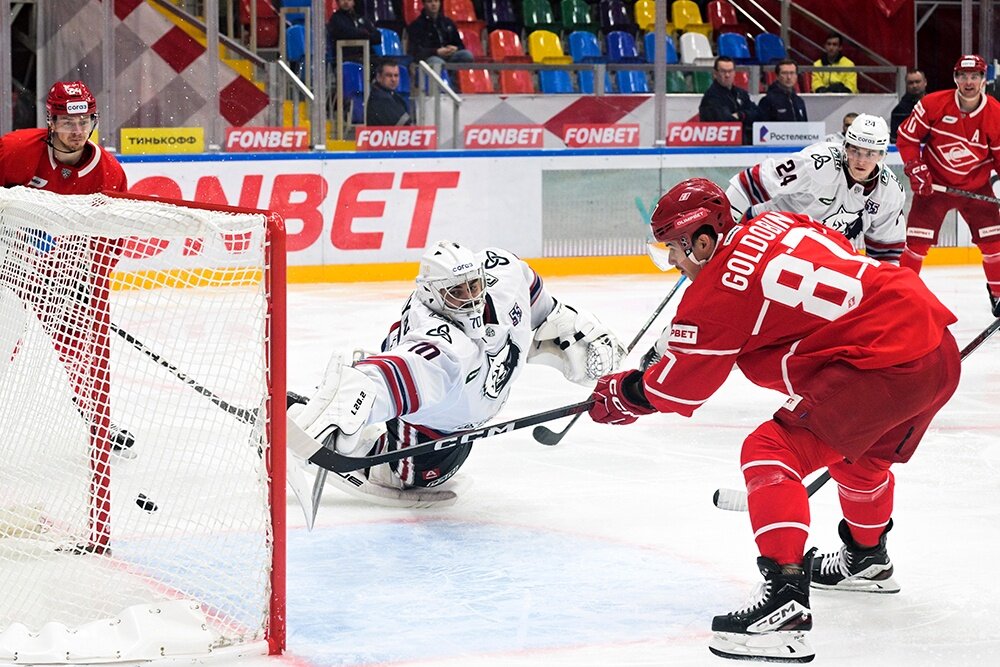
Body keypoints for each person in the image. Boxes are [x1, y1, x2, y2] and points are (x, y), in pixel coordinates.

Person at [588, 178, 960, 662]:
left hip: (882, 364)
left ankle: (784, 606)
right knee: (860, 459)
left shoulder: (717, 293)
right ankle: (867, 559)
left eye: (673, 251)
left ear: (702, 241)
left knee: (771, 450)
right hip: (932, 341)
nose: (673, 264)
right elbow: (825, 260)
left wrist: (624, 394)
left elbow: (677, 390)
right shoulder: (774, 221)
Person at [289, 240, 626, 505]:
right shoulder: (443, 348)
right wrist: (354, 395)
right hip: (434, 425)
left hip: (469, 383)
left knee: (490, 352)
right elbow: (398, 372)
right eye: (457, 293)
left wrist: (568, 326)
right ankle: (336, 430)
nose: (472, 300)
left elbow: (534, 295)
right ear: (433, 295)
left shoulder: (504, 272)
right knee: (415, 477)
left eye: (475, 286)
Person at [0, 80, 134, 453]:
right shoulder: (15, 150)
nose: (77, 132)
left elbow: (113, 236)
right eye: (67, 123)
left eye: (84, 122)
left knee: (79, 349)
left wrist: (93, 281)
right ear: (52, 123)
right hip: (6, 269)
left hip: (63, 277)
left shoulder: (107, 173)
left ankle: (98, 419)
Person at [897, 54, 1000, 317]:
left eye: (975, 76)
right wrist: (915, 167)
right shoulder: (933, 103)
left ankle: (998, 295)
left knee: (994, 244)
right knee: (916, 245)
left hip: (976, 189)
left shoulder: (995, 114)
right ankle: (899, 298)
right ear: (955, 78)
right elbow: (907, 137)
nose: (968, 82)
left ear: (983, 80)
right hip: (933, 188)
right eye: (963, 76)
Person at [727, 113, 906, 264]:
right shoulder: (817, 162)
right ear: (845, 146)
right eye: (855, 150)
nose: (861, 160)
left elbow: (886, 253)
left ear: (882, 155)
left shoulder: (890, 193)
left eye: (870, 153)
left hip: (820, 257)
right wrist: (725, 233)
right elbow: (747, 184)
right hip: (766, 238)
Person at [698, 56, 761, 145]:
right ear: (715, 74)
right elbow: (726, 121)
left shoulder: (740, 93)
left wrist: (740, 115)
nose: (727, 75)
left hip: (743, 143)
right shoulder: (711, 97)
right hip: (719, 146)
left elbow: (758, 113)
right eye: (723, 71)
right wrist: (745, 116)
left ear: (734, 73)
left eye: (730, 71)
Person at [406, 0, 474, 68]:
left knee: (467, 55)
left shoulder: (448, 22)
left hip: (449, 55)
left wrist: (456, 48)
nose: (433, 4)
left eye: (436, 1)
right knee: (437, 62)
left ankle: (456, 77)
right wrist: (436, 51)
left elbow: (460, 45)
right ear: (424, 4)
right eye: (430, 2)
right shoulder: (416, 25)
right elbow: (415, 51)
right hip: (430, 57)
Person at [365, 60, 412, 126]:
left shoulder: (394, 96)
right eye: (389, 75)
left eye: (396, 75)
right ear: (379, 77)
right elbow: (405, 126)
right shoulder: (379, 98)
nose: (393, 79)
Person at [889, 69, 927, 143]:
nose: (914, 85)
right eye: (910, 83)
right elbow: (895, 140)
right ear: (906, 85)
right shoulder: (898, 110)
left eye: (917, 81)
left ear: (925, 82)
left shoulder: (936, 106)